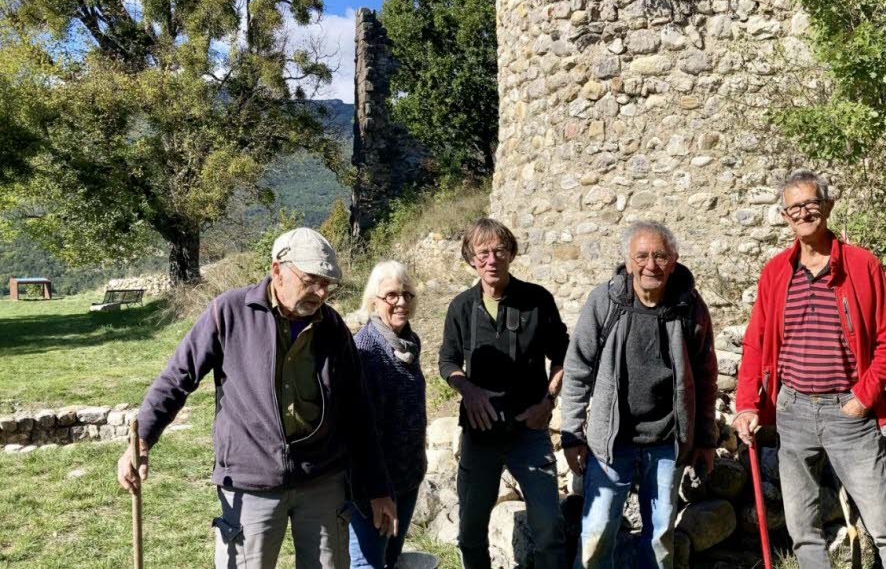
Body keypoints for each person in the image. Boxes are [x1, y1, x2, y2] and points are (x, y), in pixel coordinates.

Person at [116, 227, 398, 569]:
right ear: (277, 269)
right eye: (311, 279)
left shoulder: (332, 327)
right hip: (250, 482)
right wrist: (142, 439)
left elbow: (358, 410)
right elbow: (178, 377)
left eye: (327, 283)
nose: (321, 292)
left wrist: (378, 487)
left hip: (322, 480)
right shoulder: (228, 312)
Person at [731, 171, 886, 568]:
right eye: (794, 207)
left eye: (811, 204)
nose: (804, 212)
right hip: (793, 411)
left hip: (848, 413)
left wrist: (863, 398)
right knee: (803, 532)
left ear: (827, 207)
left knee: (885, 525)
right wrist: (747, 403)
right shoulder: (776, 272)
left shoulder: (862, 265)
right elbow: (756, 344)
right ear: (785, 216)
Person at [560, 220, 719, 569]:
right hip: (612, 441)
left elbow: (707, 376)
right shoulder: (606, 302)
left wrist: (706, 439)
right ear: (628, 261)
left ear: (674, 260)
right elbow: (577, 369)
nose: (651, 265)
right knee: (598, 530)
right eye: (642, 256)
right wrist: (572, 434)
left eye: (660, 256)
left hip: (667, 441)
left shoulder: (688, 306)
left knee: (660, 536)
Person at [439, 218, 569, 569]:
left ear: (511, 253)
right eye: (483, 253)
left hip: (530, 430)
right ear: (471, 259)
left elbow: (563, 354)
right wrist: (468, 390)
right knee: (470, 532)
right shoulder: (462, 307)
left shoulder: (537, 300)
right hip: (480, 435)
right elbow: (447, 360)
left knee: (548, 528)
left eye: (499, 250)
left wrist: (548, 401)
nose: (491, 259)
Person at [347, 261, 426, 568]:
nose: (402, 302)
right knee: (368, 563)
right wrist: (377, 491)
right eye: (392, 295)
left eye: (407, 294)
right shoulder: (366, 350)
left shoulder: (409, 343)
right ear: (373, 301)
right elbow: (358, 431)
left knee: (390, 560)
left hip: (407, 477)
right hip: (374, 487)